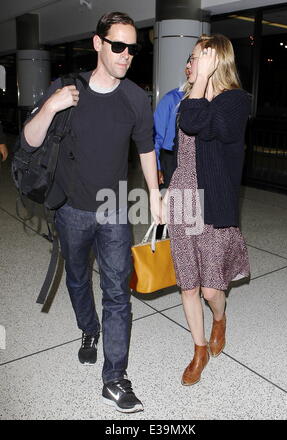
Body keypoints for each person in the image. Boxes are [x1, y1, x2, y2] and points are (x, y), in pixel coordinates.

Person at [21, 11, 161, 413]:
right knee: (79, 280)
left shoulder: (135, 98)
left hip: (115, 209)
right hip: (71, 210)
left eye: (132, 48)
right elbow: (30, 142)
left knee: (118, 293)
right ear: (98, 44)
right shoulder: (67, 89)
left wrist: (154, 193)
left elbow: (146, 149)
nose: (126, 55)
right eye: (118, 46)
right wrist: (50, 106)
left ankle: (114, 378)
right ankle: (88, 331)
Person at [163, 34, 251, 386]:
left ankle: (220, 317)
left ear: (217, 60)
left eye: (198, 56)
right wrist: (164, 195)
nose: (192, 62)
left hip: (213, 201)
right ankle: (198, 349)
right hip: (182, 197)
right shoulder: (189, 97)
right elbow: (177, 152)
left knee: (212, 289)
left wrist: (199, 81)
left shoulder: (236, 101)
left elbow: (197, 123)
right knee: (187, 284)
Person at [154, 66, 190, 189]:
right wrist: (157, 167)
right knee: (172, 204)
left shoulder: (208, 99)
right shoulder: (171, 98)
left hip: (193, 160)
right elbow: (156, 137)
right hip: (170, 159)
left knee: (189, 204)